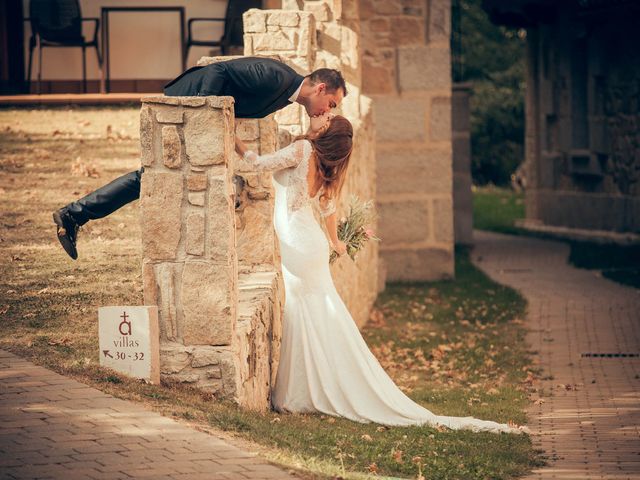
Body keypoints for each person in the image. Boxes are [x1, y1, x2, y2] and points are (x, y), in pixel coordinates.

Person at [234, 113, 529, 434]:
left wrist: (233, 139)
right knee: (311, 312)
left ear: (327, 133)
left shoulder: (303, 150)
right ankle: (302, 390)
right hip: (310, 244)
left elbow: (259, 163)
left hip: (299, 243)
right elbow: (328, 209)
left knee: (304, 311)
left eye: (328, 118)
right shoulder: (324, 166)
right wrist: (335, 243)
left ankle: (298, 392)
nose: (323, 116)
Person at [53, 57, 346, 259]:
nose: (327, 111)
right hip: (187, 102)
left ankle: (75, 214)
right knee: (151, 178)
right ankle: (74, 214)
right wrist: (202, 112)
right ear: (320, 88)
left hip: (194, 110)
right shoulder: (276, 77)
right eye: (331, 103)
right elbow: (217, 72)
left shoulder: (284, 95)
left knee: (150, 179)